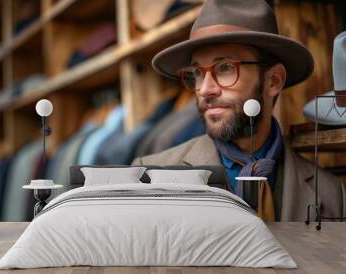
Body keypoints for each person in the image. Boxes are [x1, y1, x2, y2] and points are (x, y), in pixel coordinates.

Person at [131, 0, 346, 221]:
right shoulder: (148, 178)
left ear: (273, 80)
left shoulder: (331, 194)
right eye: (197, 72)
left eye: (225, 68)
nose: (205, 90)